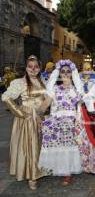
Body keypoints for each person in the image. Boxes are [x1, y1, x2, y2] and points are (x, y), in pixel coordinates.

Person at [1, 55, 46, 190]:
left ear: (40, 68)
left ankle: (39, 169)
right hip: (27, 117)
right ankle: (31, 175)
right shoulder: (20, 82)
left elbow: (47, 99)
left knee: (39, 145)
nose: (33, 69)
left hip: (40, 116)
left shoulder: (42, 81)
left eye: (36, 67)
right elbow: (6, 97)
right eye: (30, 67)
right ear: (26, 68)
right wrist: (20, 113)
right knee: (29, 146)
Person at [38, 59, 83, 185]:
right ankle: (58, 168)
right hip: (56, 119)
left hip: (70, 121)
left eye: (68, 71)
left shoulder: (76, 90)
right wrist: (37, 113)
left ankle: (67, 172)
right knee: (56, 143)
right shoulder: (55, 89)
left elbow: (81, 105)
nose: (65, 74)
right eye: (62, 71)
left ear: (72, 73)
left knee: (67, 146)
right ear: (59, 74)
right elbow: (46, 103)